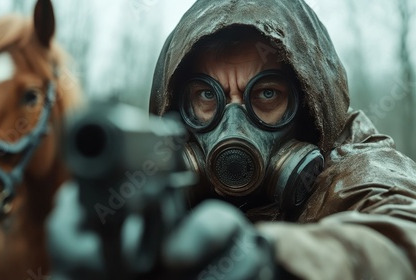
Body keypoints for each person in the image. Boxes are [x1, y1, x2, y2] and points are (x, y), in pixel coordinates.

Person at [47, 0, 416, 279]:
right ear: (178, 109)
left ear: (308, 106)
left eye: (267, 94)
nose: (234, 126)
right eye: (208, 97)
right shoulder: (164, 180)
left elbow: (403, 236)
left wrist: (274, 259)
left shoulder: (354, 165)